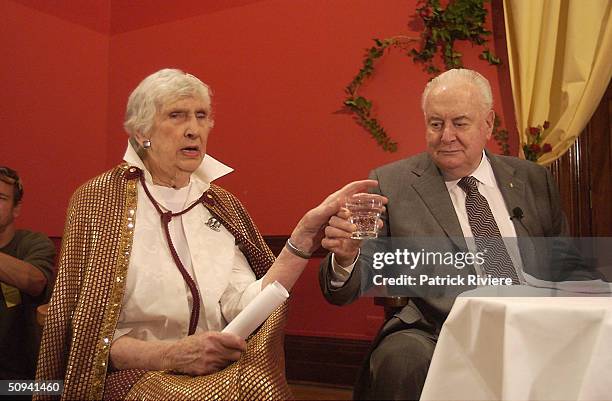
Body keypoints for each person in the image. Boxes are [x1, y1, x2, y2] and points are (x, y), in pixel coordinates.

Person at [35, 68, 385, 400]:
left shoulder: (220, 204)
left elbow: (243, 304)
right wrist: (170, 355)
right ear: (142, 132)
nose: (193, 129)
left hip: (212, 368)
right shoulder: (98, 200)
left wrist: (303, 239)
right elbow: (84, 333)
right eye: (176, 116)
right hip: (133, 373)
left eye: (201, 116)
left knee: (256, 384)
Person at [319, 68, 571, 400]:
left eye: (460, 123)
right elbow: (348, 285)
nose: (446, 136)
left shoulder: (532, 180)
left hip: (531, 322)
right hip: (436, 329)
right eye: (436, 124)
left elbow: (566, 265)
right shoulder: (393, 183)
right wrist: (346, 257)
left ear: (488, 124)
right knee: (399, 358)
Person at [0, 167, 56, 380]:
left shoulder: (33, 243)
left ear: (16, 208)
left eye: (0, 197)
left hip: (22, 383)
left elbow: (35, 281)